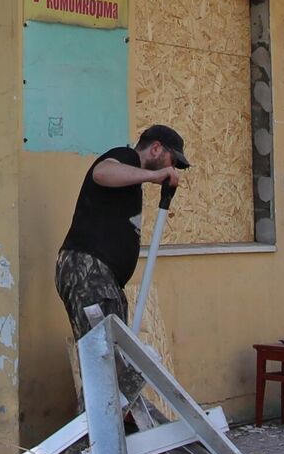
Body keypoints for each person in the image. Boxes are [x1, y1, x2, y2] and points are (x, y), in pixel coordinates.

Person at [54, 124, 189, 399]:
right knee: (102, 363)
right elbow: (101, 172)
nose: (172, 167)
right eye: (171, 160)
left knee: (112, 364)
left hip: (105, 278)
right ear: (155, 148)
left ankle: (116, 431)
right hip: (88, 270)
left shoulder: (132, 181)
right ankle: (97, 435)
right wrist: (155, 174)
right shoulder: (125, 157)